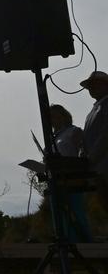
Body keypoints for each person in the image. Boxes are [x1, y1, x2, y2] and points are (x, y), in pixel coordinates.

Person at [50, 104, 92, 242]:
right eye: (51, 117)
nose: (54, 119)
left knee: (75, 209)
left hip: (73, 176)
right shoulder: (51, 137)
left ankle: (85, 242)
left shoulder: (74, 131)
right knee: (59, 212)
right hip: (55, 178)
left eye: (57, 116)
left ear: (64, 116)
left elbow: (83, 152)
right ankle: (64, 240)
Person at [80, 71, 108, 211]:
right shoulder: (93, 110)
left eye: (96, 84)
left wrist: (92, 157)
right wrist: (83, 155)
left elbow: (106, 134)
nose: (92, 88)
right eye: (90, 85)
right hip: (96, 169)